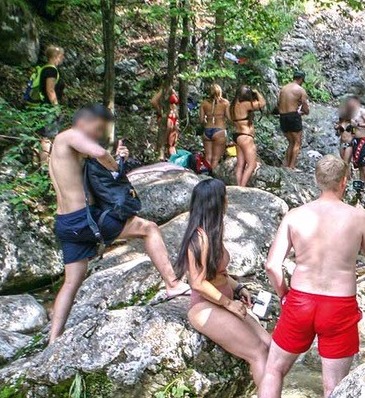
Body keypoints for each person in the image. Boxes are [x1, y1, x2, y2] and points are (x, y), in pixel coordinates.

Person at [233, 155, 365, 398]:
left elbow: (272, 266)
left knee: (274, 369)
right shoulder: (358, 216)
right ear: (344, 182)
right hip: (338, 305)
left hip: (300, 300)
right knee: (332, 387)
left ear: (316, 181)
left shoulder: (295, 216)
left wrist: (284, 293)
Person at [47, 105, 188, 340]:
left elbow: (92, 167)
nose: (97, 135)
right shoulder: (71, 135)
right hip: (85, 220)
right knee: (149, 228)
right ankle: (172, 284)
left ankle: (53, 338)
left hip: (66, 223)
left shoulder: (59, 148)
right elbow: (100, 155)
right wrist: (115, 168)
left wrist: (119, 158)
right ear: (84, 121)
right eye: (97, 129)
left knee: (71, 281)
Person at [178, 178, 309, 398]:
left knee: (271, 346)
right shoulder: (198, 238)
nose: (228, 201)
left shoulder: (213, 232)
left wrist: (239, 288)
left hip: (223, 301)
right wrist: (229, 304)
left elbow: (218, 273)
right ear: (217, 203)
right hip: (205, 308)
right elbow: (197, 283)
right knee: (257, 353)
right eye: (225, 197)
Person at [31, 45, 65, 163]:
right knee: (47, 138)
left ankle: (36, 163)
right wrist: (56, 108)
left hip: (39, 107)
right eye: (61, 56)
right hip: (47, 109)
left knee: (39, 136)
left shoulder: (43, 68)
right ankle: (44, 166)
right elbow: (50, 90)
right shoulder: (51, 70)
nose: (63, 58)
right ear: (56, 56)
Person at [230, 85, 267, 187]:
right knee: (252, 164)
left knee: (240, 165)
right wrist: (257, 92)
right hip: (246, 137)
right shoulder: (245, 104)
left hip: (237, 136)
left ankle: (238, 186)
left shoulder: (233, 106)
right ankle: (242, 187)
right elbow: (262, 103)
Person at [277, 70, 310, 170]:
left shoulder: (283, 88)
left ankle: (285, 165)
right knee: (297, 142)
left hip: (282, 116)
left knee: (291, 142)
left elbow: (278, 104)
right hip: (293, 116)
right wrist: (305, 112)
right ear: (301, 79)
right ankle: (292, 166)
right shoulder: (300, 90)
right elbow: (305, 107)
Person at [348, 95, 365, 196]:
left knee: (364, 165)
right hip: (356, 140)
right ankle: (361, 188)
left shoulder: (362, 111)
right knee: (359, 165)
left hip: (364, 140)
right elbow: (353, 128)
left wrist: (359, 125)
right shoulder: (351, 114)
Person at [200, 84, 231, 169]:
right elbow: (229, 118)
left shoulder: (204, 103)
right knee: (216, 158)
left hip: (207, 130)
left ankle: (205, 175)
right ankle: (211, 175)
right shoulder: (225, 103)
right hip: (219, 130)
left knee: (208, 156)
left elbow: (201, 120)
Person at [152, 84, 180, 158]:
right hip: (167, 118)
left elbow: (176, 102)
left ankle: (173, 163)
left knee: (172, 144)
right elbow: (153, 101)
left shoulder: (171, 90)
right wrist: (161, 113)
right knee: (164, 143)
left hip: (174, 118)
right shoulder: (163, 90)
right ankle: (160, 159)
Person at [334, 102, 355, 167]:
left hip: (349, 144)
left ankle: (347, 177)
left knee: (346, 163)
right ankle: (344, 176)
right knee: (342, 162)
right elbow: (338, 134)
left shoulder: (352, 122)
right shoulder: (340, 123)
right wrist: (337, 128)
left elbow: (354, 133)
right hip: (342, 143)